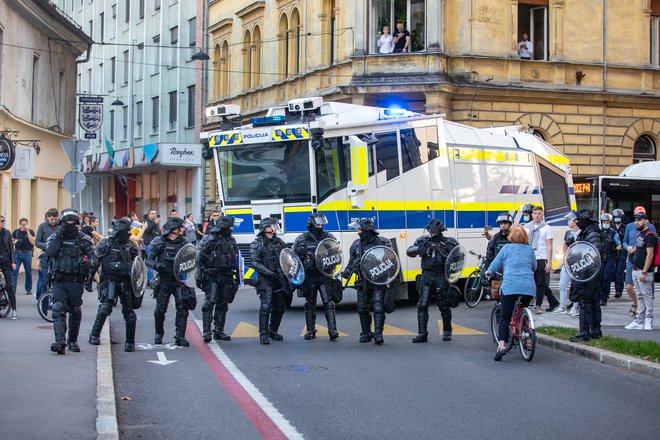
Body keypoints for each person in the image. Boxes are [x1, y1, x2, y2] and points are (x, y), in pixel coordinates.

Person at [45, 209, 97, 354]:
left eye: (72, 221)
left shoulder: (83, 239)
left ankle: (72, 340)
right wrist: (59, 235)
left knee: (75, 310)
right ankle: (60, 342)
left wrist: (89, 264)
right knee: (57, 308)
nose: (69, 224)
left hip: (76, 281)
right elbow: (49, 253)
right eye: (67, 221)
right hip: (59, 281)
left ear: (77, 222)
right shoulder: (56, 237)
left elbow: (94, 258)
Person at [87, 219, 140, 351]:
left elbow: (137, 265)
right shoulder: (106, 243)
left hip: (125, 281)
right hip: (109, 280)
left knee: (129, 313)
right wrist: (89, 280)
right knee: (105, 308)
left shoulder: (130, 245)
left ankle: (130, 342)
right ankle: (94, 334)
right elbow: (96, 261)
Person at [485, 225, 536, 361]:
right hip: (528, 287)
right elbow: (534, 266)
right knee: (522, 311)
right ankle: (527, 338)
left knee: (505, 316)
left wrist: (488, 272)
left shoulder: (506, 248)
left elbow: (495, 264)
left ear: (510, 236)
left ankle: (501, 345)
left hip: (510, 286)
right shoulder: (530, 250)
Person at [406, 219, 460, 343]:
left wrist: (446, 254)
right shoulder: (423, 241)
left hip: (441, 275)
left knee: (443, 305)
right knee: (422, 305)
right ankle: (422, 333)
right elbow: (409, 251)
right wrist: (421, 249)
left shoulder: (449, 242)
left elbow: (458, 257)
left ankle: (447, 331)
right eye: (429, 230)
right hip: (426, 275)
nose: (431, 232)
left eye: (433, 230)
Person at [342, 219, 394, 345]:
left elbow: (391, 259)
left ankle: (378, 334)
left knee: (378, 307)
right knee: (362, 308)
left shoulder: (382, 242)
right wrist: (347, 271)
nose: (358, 232)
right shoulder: (356, 244)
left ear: (367, 230)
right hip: (362, 280)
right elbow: (351, 261)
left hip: (378, 279)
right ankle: (365, 333)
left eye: (360, 230)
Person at [293, 213, 339, 341]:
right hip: (309, 276)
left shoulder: (329, 237)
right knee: (310, 304)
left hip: (324, 275)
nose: (320, 225)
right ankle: (310, 330)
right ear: (311, 224)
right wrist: (300, 252)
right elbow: (292, 257)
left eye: (321, 223)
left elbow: (337, 253)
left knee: (328, 303)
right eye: (317, 223)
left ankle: (332, 330)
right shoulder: (301, 239)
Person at [148, 217, 192, 346]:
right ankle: (158, 334)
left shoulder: (184, 242)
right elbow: (148, 260)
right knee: (160, 309)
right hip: (164, 280)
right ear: (174, 230)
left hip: (178, 280)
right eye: (181, 228)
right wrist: (156, 266)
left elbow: (193, 259)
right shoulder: (159, 242)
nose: (183, 230)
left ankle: (180, 336)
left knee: (182, 308)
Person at [197, 216, 240, 342]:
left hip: (226, 275)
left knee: (223, 304)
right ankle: (206, 332)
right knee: (209, 303)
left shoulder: (231, 240)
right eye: (230, 227)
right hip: (212, 275)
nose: (232, 229)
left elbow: (236, 258)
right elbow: (200, 259)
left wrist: (237, 276)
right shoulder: (210, 239)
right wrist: (200, 276)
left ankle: (219, 331)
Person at [249, 218, 289, 345]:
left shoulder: (280, 242)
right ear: (266, 228)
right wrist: (270, 273)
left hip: (279, 279)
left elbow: (287, 258)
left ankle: (273, 330)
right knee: (266, 306)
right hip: (265, 280)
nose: (275, 227)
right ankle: (264, 334)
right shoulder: (257, 243)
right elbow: (255, 262)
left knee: (280, 307)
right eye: (273, 225)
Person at [568, 209, 604, 342]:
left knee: (586, 302)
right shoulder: (589, 231)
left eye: (578, 220)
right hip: (591, 273)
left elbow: (595, 253)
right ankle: (595, 330)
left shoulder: (591, 232)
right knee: (593, 301)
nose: (577, 222)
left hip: (590, 273)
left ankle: (585, 331)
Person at [624, 212, 657, 331]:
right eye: (636, 220)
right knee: (640, 296)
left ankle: (648, 319)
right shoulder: (640, 235)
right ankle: (639, 320)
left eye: (639, 220)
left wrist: (644, 271)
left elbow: (650, 254)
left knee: (647, 296)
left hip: (644, 271)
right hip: (636, 269)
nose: (636, 222)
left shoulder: (649, 235)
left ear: (646, 221)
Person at [524, 205, 559, 313]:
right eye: (535, 213)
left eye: (539, 213)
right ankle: (553, 301)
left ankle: (538, 305)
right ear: (532, 215)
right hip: (530, 256)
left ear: (542, 215)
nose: (537, 215)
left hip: (541, 257)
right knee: (537, 281)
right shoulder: (527, 227)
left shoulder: (546, 228)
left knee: (540, 282)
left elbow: (549, 245)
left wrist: (549, 262)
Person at [483, 213, 513, 301]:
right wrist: (486, 273)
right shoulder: (495, 238)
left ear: (509, 224)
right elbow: (489, 257)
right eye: (501, 223)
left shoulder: (514, 238)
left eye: (505, 223)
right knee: (497, 298)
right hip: (498, 273)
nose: (503, 225)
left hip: (511, 272)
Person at [556, 211, 580, 314]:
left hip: (578, 263)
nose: (568, 222)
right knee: (562, 284)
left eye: (570, 220)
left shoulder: (582, 232)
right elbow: (565, 245)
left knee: (576, 285)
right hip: (568, 262)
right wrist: (565, 258)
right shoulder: (568, 233)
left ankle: (575, 307)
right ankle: (562, 306)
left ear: (576, 221)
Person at [35, 208, 59, 300]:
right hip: (46, 256)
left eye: (55, 219)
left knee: (57, 280)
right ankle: (43, 303)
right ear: (48, 217)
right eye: (52, 219)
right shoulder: (42, 226)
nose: (53, 221)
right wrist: (48, 246)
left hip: (58, 257)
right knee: (45, 280)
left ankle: (55, 301)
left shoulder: (60, 226)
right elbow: (37, 242)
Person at [599, 213, 621, 306]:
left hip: (609, 258)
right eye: (604, 222)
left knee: (606, 278)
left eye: (607, 222)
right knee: (599, 278)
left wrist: (615, 249)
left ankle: (604, 297)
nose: (605, 223)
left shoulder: (613, 233)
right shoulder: (598, 233)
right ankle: (599, 296)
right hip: (599, 258)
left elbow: (619, 245)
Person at [11, 217, 35, 297]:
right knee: (14, 271)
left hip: (27, 253)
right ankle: (13, 289)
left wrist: (28, 232)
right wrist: (15, 241)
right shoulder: (16, 232)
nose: (24, 226)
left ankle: (28, 289)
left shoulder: (30, 231)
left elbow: (32, 242)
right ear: (20, 225)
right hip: (17, 253)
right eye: (23, 225)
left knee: (28, 271)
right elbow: (11, 241)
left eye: (26, 224)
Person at [0, 214, 17, 319]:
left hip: (6, 261)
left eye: (3, 221)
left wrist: (13, 261)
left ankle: (14, 309)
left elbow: (11, 248)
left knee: (9, 286)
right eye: (1, 221)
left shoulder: (7, 233)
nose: (3, 222)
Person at [140, 209, 161, 285]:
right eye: (152, 213)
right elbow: (147, 230)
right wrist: (154, 223)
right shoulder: (146, 222)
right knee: (150, 263)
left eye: (155, 213)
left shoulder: (156, 223)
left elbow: (158, 233)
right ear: (148, 215)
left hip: (157, 245)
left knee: (158, 262)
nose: (154, 215)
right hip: (149, 245)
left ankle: (157, 279)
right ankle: (150, 281)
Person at [611, 208, 627, 298]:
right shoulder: (611, 227)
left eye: (618, 217)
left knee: (619, 271)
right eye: (615, 217)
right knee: (611, 272)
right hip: (612, 252)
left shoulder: (625, 228)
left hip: (622, 252)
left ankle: (618, 290)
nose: (617, 218)